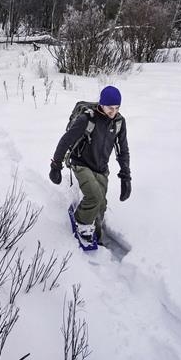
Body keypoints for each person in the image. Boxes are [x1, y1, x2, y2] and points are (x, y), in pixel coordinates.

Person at [48, 85, 131, 244]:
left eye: (116, 108)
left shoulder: (119, 123)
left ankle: (97, 236)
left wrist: (126, 177)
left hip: (101, 168)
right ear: (101, 104)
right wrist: (55, 166)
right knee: (94, 196)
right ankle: (82, 222)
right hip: (81, 163)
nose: (113, 112)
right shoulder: (87, 119)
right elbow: (66, 140)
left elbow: (123, 151)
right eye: (109, 107)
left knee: (101, 205)